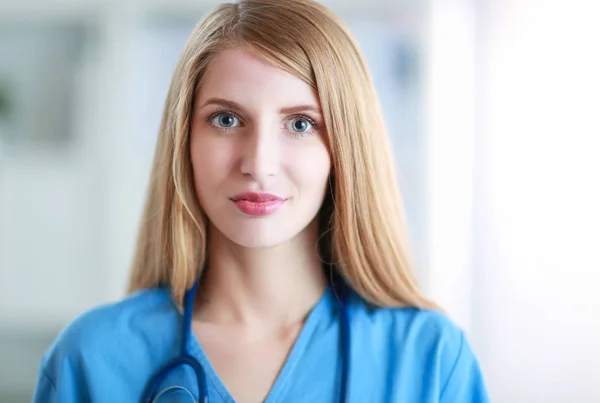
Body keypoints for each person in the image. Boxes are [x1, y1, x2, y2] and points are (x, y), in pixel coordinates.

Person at [32, 0, 489, 401]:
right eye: (227, 119)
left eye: (301, 124)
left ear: (345, 148)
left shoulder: (430, 361)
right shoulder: (91, 359)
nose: (259, 163)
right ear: (184, 140)